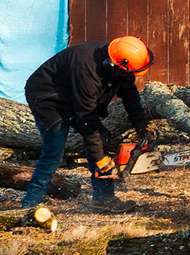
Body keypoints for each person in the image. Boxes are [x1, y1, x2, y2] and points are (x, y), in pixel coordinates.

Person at [22, 37, 154, 213]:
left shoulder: (120, 66)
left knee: (101, 138)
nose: (131, 77)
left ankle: (104, 199)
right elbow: (86, 116)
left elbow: (130, 97)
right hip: (48, 97)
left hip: (74, 94)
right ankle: (30, 205)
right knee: (54, 152)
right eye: (129, 73)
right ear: (115, 66)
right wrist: (99, 157)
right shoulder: (87, 68)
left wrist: (142, 126)